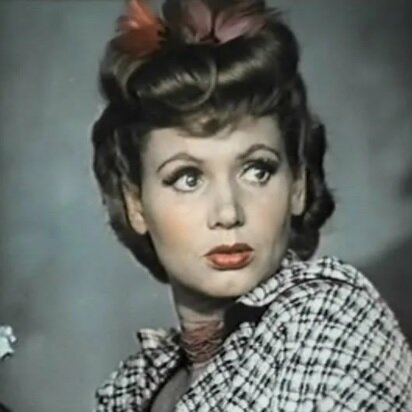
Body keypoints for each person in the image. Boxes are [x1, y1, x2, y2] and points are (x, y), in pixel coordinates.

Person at [90, 0, 412, 410]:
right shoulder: (135, 387)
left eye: (257, 170)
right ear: (136, 204)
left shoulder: (328, 319)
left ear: (297, 185)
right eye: (188, 178)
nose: (228, 212)